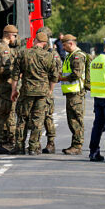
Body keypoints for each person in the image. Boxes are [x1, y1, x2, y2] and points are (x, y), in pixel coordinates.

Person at [10, 31, 59, 155]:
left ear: (35, 41)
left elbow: (15, 74)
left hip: (27, 91)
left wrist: (14, 90)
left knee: (22, 119)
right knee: (38, 121)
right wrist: (50, 90)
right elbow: (54, 76)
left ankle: (19, 146)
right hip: (42, 93)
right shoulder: (49, 56)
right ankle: (33, 147)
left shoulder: (23, 53)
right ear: (45, 43)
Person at [0, 25, 20, 154]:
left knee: (2, 115)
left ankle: (2, 141)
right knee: (1, 116)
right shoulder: (4, 49)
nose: (16, 39)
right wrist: (17, 73)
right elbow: (3, 70)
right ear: (9, 35)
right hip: (4, 87)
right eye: (15, 36)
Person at [60, 34, 90, 155]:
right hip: (71, 92)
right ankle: (75, 144)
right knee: (71, 120)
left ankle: (77, 145)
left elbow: (76, 74)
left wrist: (61, 78)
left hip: (76, 92)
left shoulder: (77, 56)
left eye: (64, 44)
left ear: (71, 43)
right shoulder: (71, 56)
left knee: (76, 119)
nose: (63, 47)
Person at [36, 26, 62, 154]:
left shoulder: (53, 54)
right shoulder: (35, 52)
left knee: (47, 118)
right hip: (36, 90)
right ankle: (37, 143)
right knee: (36, 117)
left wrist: (50, 89)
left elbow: (57, 73)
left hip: (47, 90)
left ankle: (51, 143)